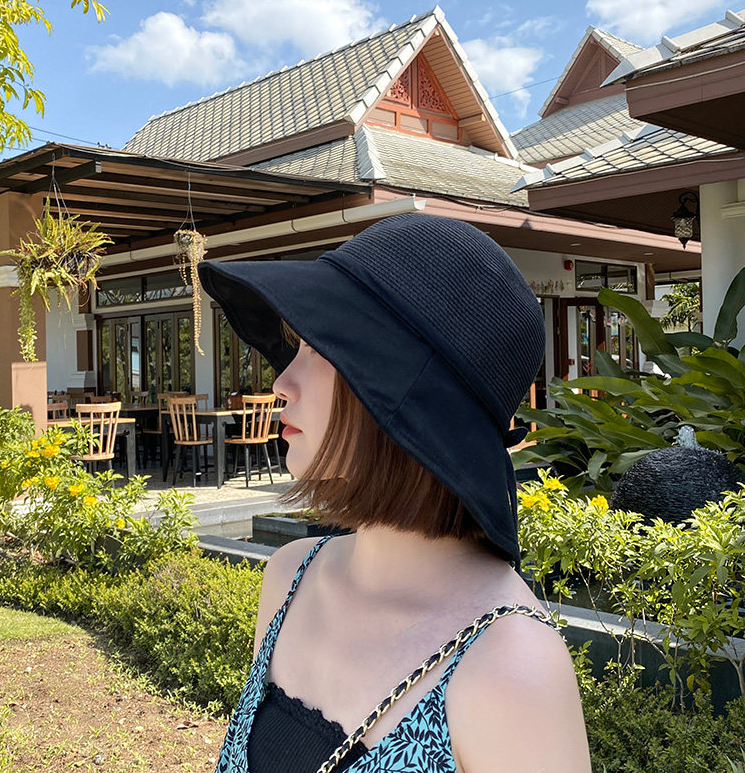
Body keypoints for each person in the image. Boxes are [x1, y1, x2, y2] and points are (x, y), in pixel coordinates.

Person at [198, 213, 592, 773]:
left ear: (394, 394)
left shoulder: (510, 666)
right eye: (296, 346)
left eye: (320, 350)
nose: (281, 382)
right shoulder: (289, 579)